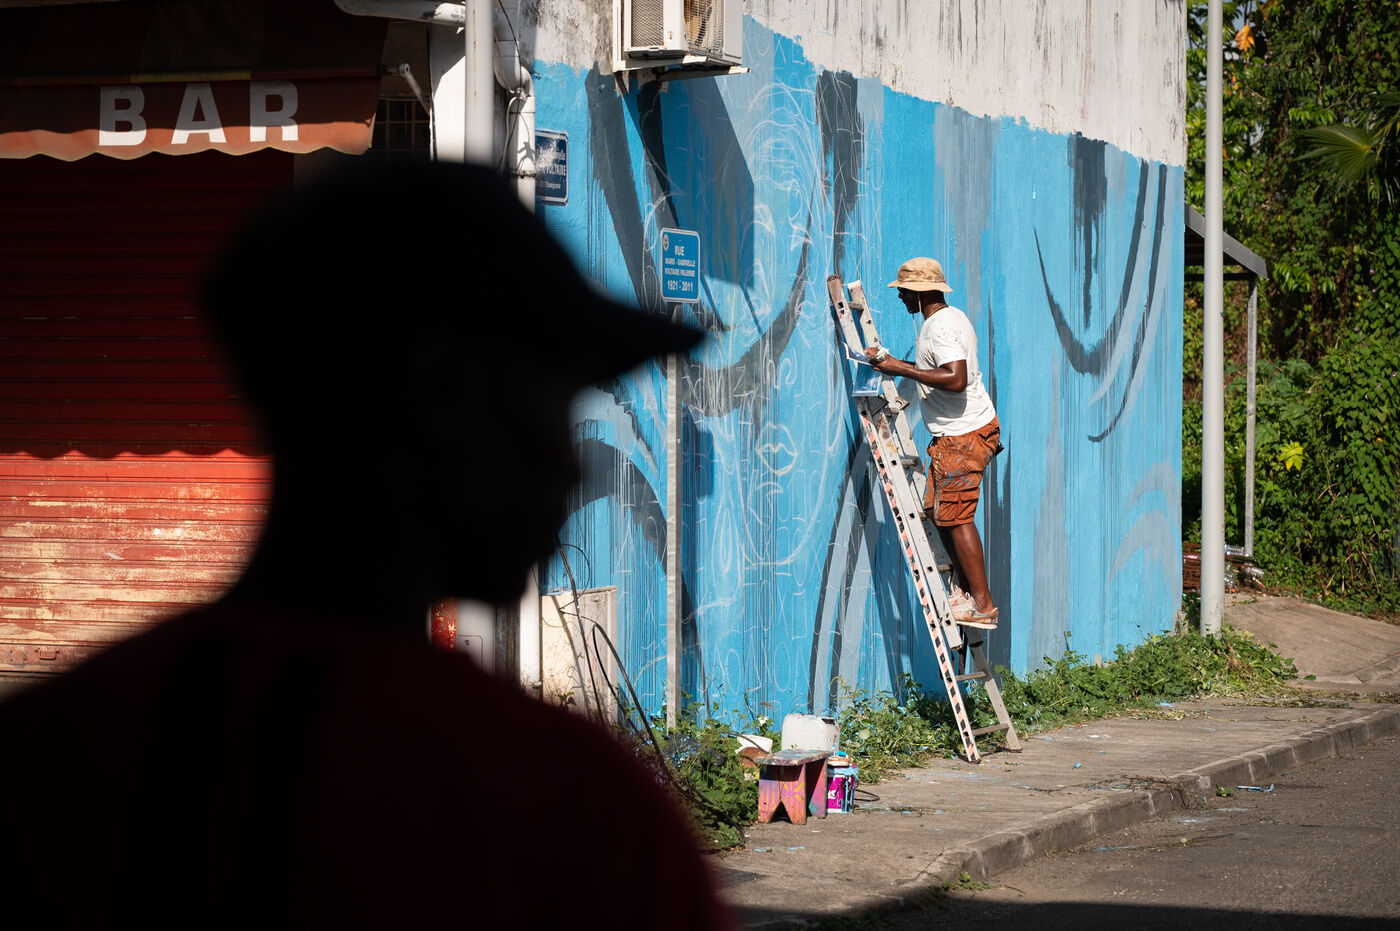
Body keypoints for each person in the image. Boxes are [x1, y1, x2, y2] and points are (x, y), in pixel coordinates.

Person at [0, 160, 735, 929]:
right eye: (556, 398)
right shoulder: (570, 813)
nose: (571, 466)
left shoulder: (52, 755)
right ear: (441, 390)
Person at [865, 257, 1001, 629]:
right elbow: (946, 370)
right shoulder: (949, 318)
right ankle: (965, 592)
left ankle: (983, 606)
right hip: (956, 435)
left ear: (920, 292)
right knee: (939, 512)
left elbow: (955, 378)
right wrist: (898, 363)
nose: (901, 297)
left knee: (958, 519)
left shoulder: (939, 327)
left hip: (962, 436)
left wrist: (898, 367)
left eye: (904, 291)